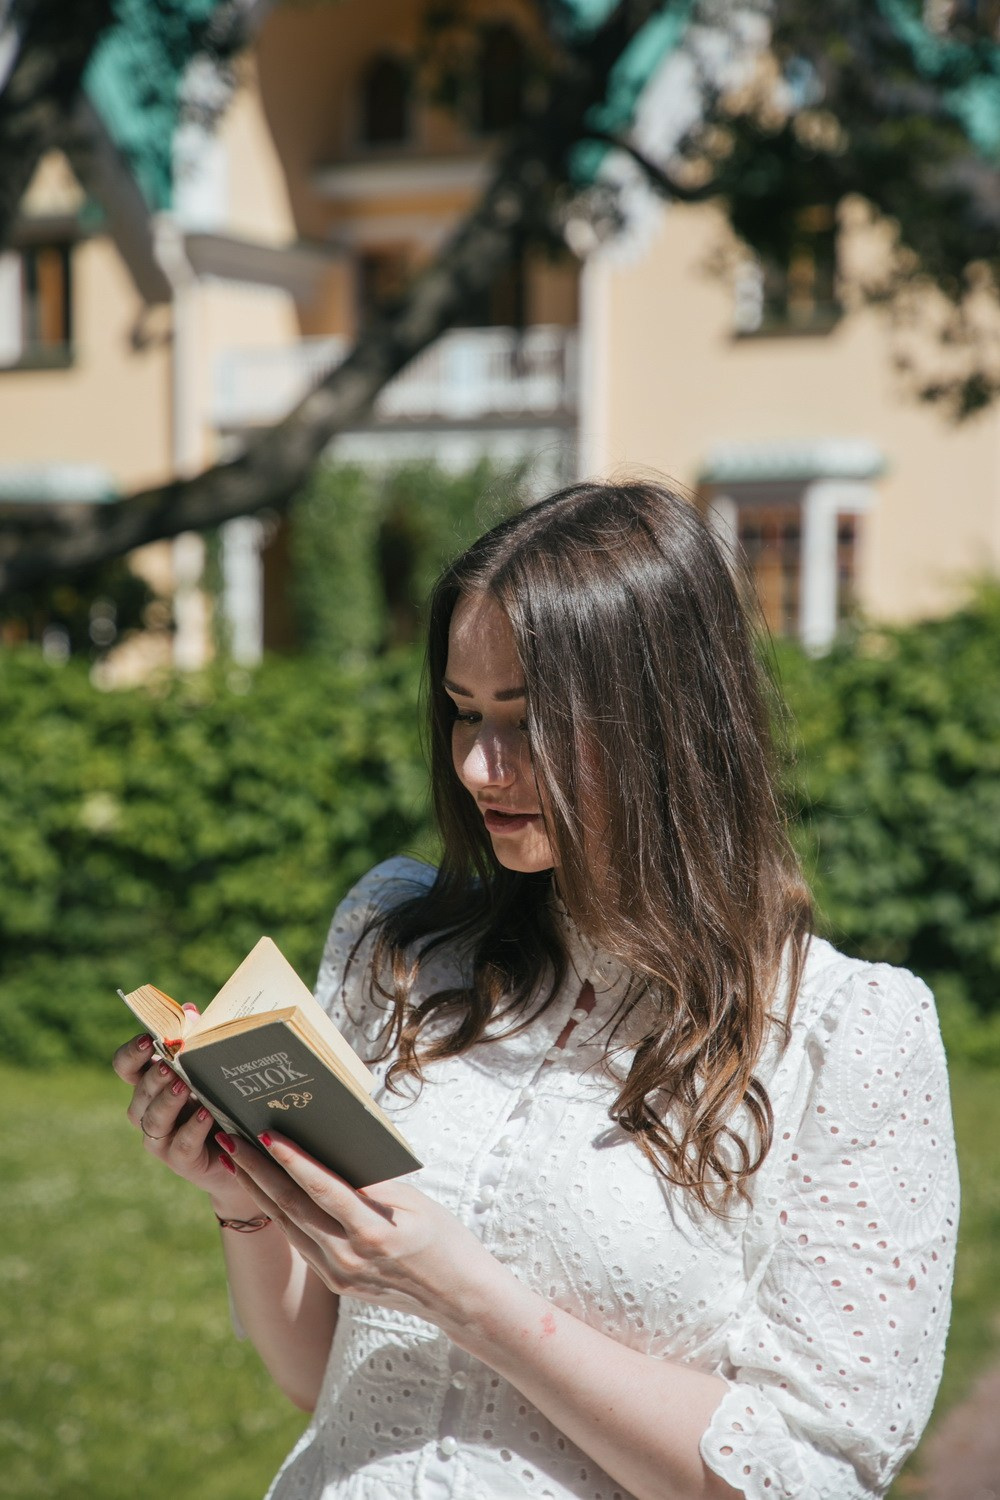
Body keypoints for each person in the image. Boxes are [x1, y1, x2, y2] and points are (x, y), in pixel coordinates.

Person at [114, 479, 958, 1500]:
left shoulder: (846, 1035)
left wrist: (466, 1294)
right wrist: (243, 1201)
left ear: (671, 726)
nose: (476, 764)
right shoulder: (398, 940)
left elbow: (804, 1478)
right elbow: (319, 1380)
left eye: (527, 719)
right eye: (463, 712)